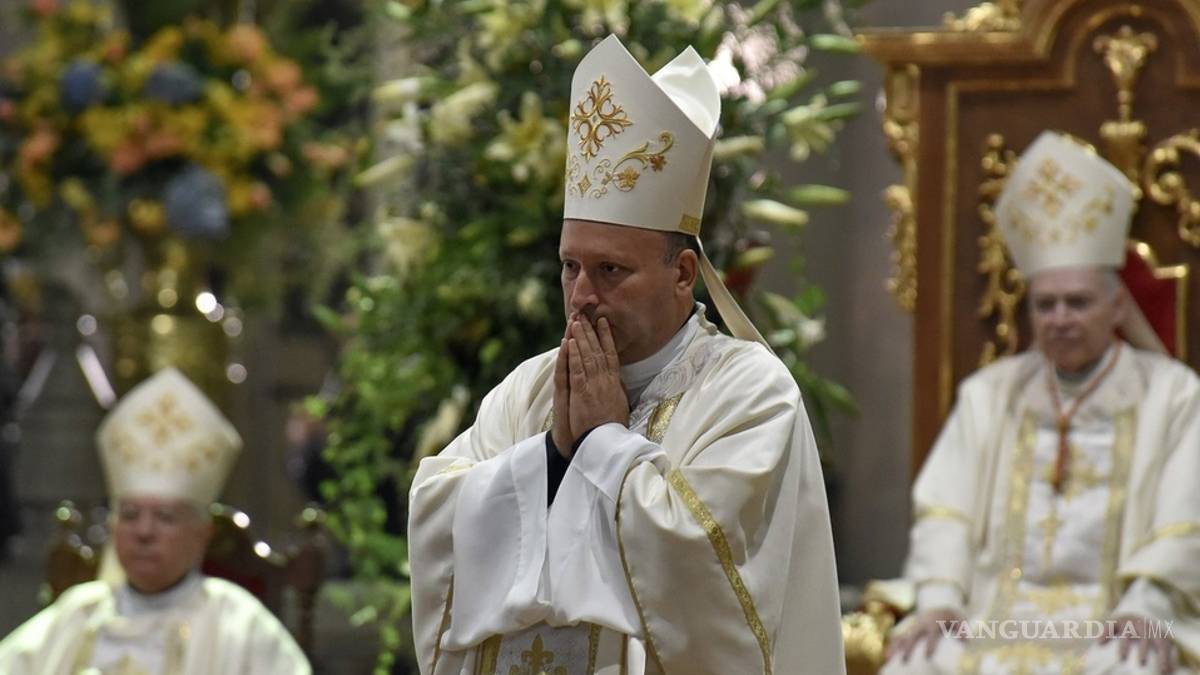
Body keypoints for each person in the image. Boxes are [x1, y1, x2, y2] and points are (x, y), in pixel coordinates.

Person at [407, 35, 844, 675]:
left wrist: (604, 444)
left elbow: (709, 578)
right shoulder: (531, 389)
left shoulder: (750, 393)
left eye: (611, 269)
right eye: (571, 267)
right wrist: (553, 454)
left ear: (682, 274)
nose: (582, 295)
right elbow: (436, 514)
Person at [882, 131, 1200, 675]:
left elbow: (1185, 518)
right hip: (994, 616)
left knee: (1133, 665)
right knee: (916, 662)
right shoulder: (989, 395)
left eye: (1077, 302)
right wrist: (939, 598)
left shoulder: (1173, 394)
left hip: (1118, 616)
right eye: (1045, 305)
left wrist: (1148, 605)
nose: (1060, 319)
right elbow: (946, 511)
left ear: (1117, 307)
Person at [0, 367, 311, 674]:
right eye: (130, 515)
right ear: (112, 526)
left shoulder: (239, 624)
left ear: (202, 533)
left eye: (165, 517)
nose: (144, 531)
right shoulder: (78, 614)